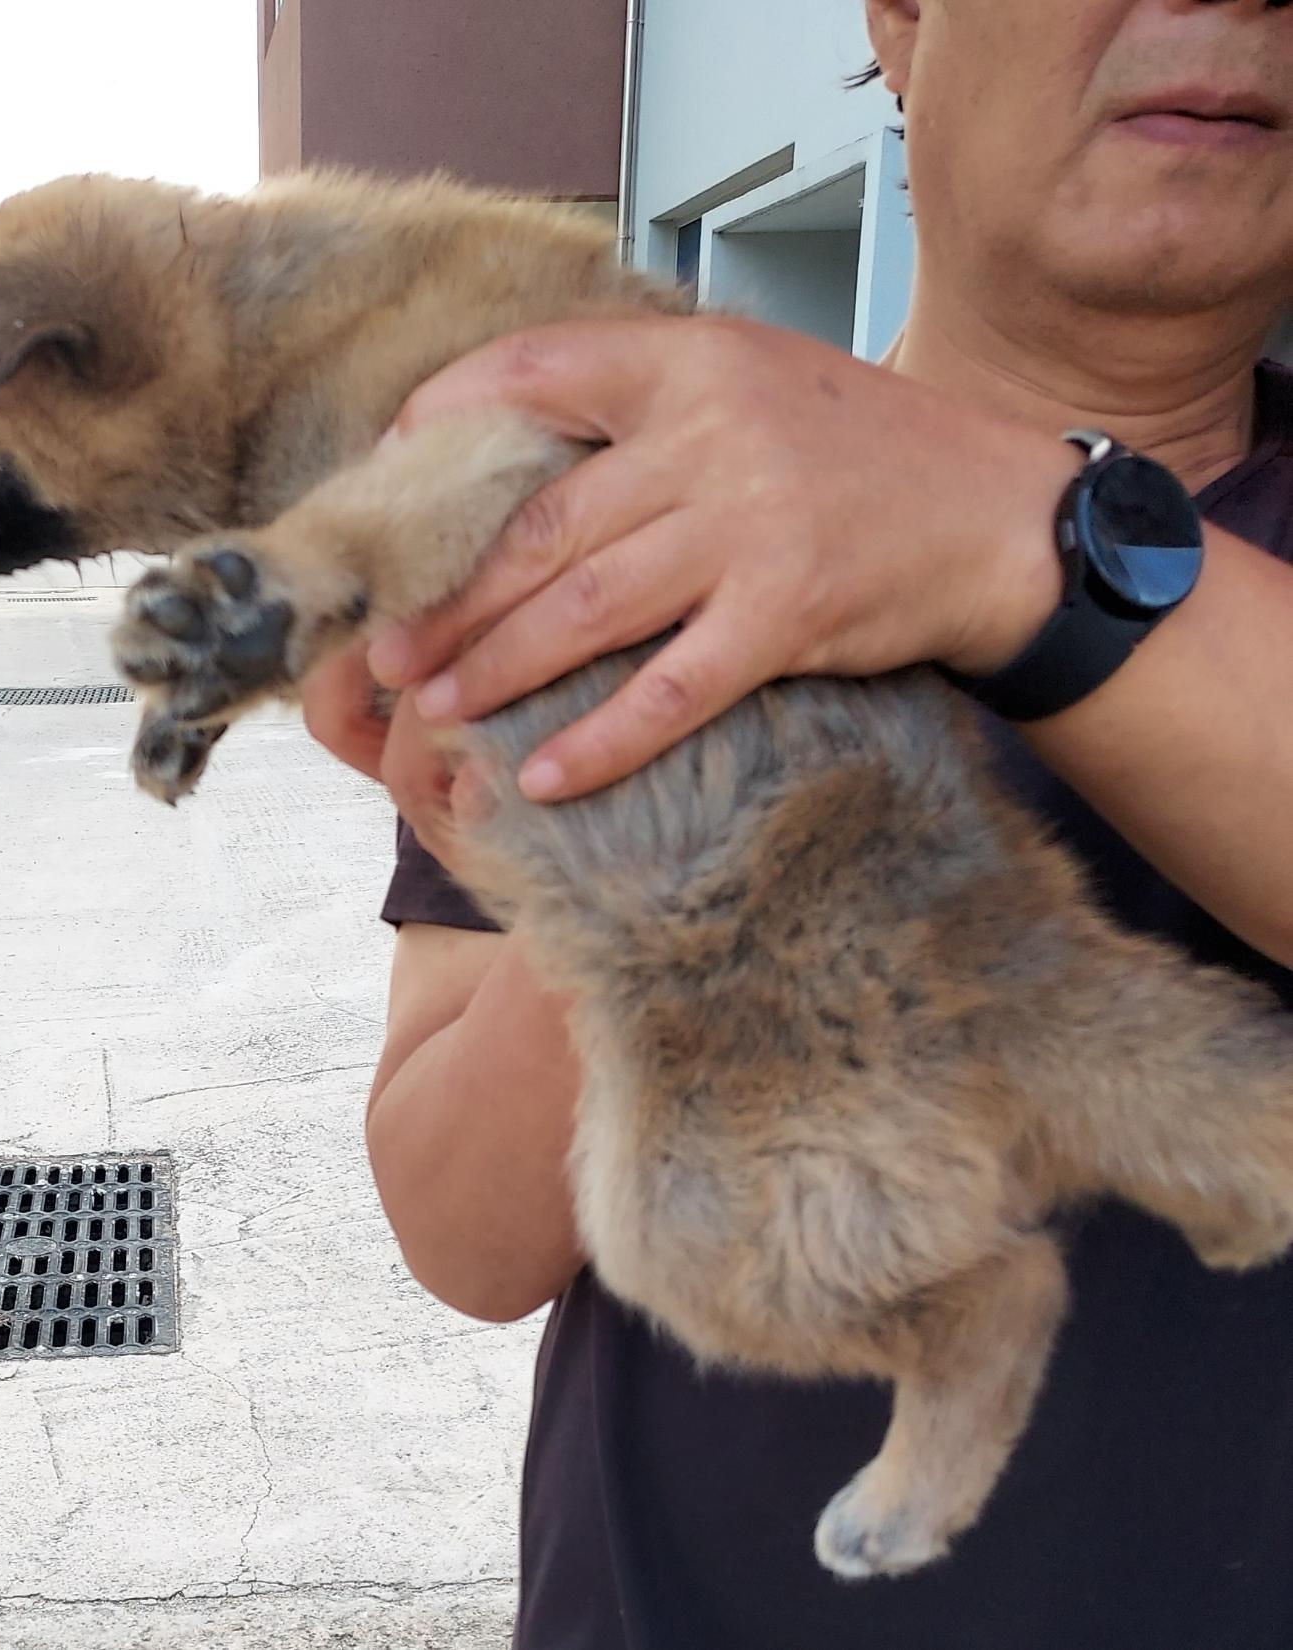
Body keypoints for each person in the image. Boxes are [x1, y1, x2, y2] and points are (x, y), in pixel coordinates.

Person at [305, 2, 1293, 1644]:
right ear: (902, 19)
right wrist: (674, 792)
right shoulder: (603, 533)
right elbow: (463, 1227)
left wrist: (1000, 530)